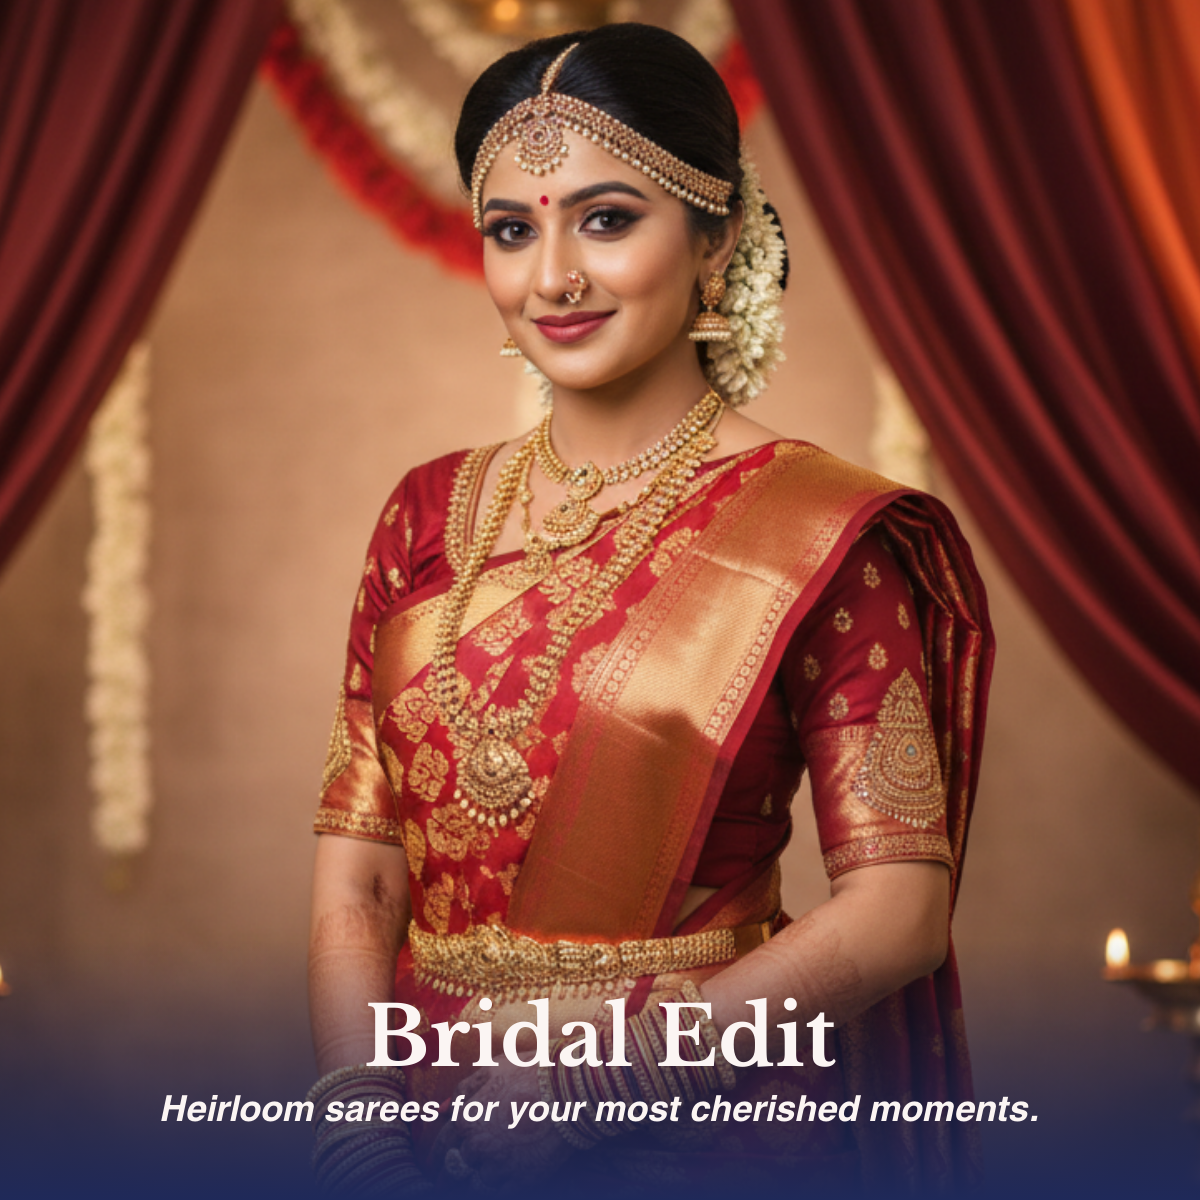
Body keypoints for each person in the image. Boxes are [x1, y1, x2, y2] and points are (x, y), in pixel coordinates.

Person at [305, 22, 992, 1195]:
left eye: (607, 218)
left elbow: (897, 913)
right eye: (513, 230)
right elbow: (362, 874)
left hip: (693, 1133)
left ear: (716, 235)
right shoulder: (425, 514)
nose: (552, 277)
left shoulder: (823, 534)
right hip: (417, 1135)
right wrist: (359, 1123)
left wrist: (601, 1075)